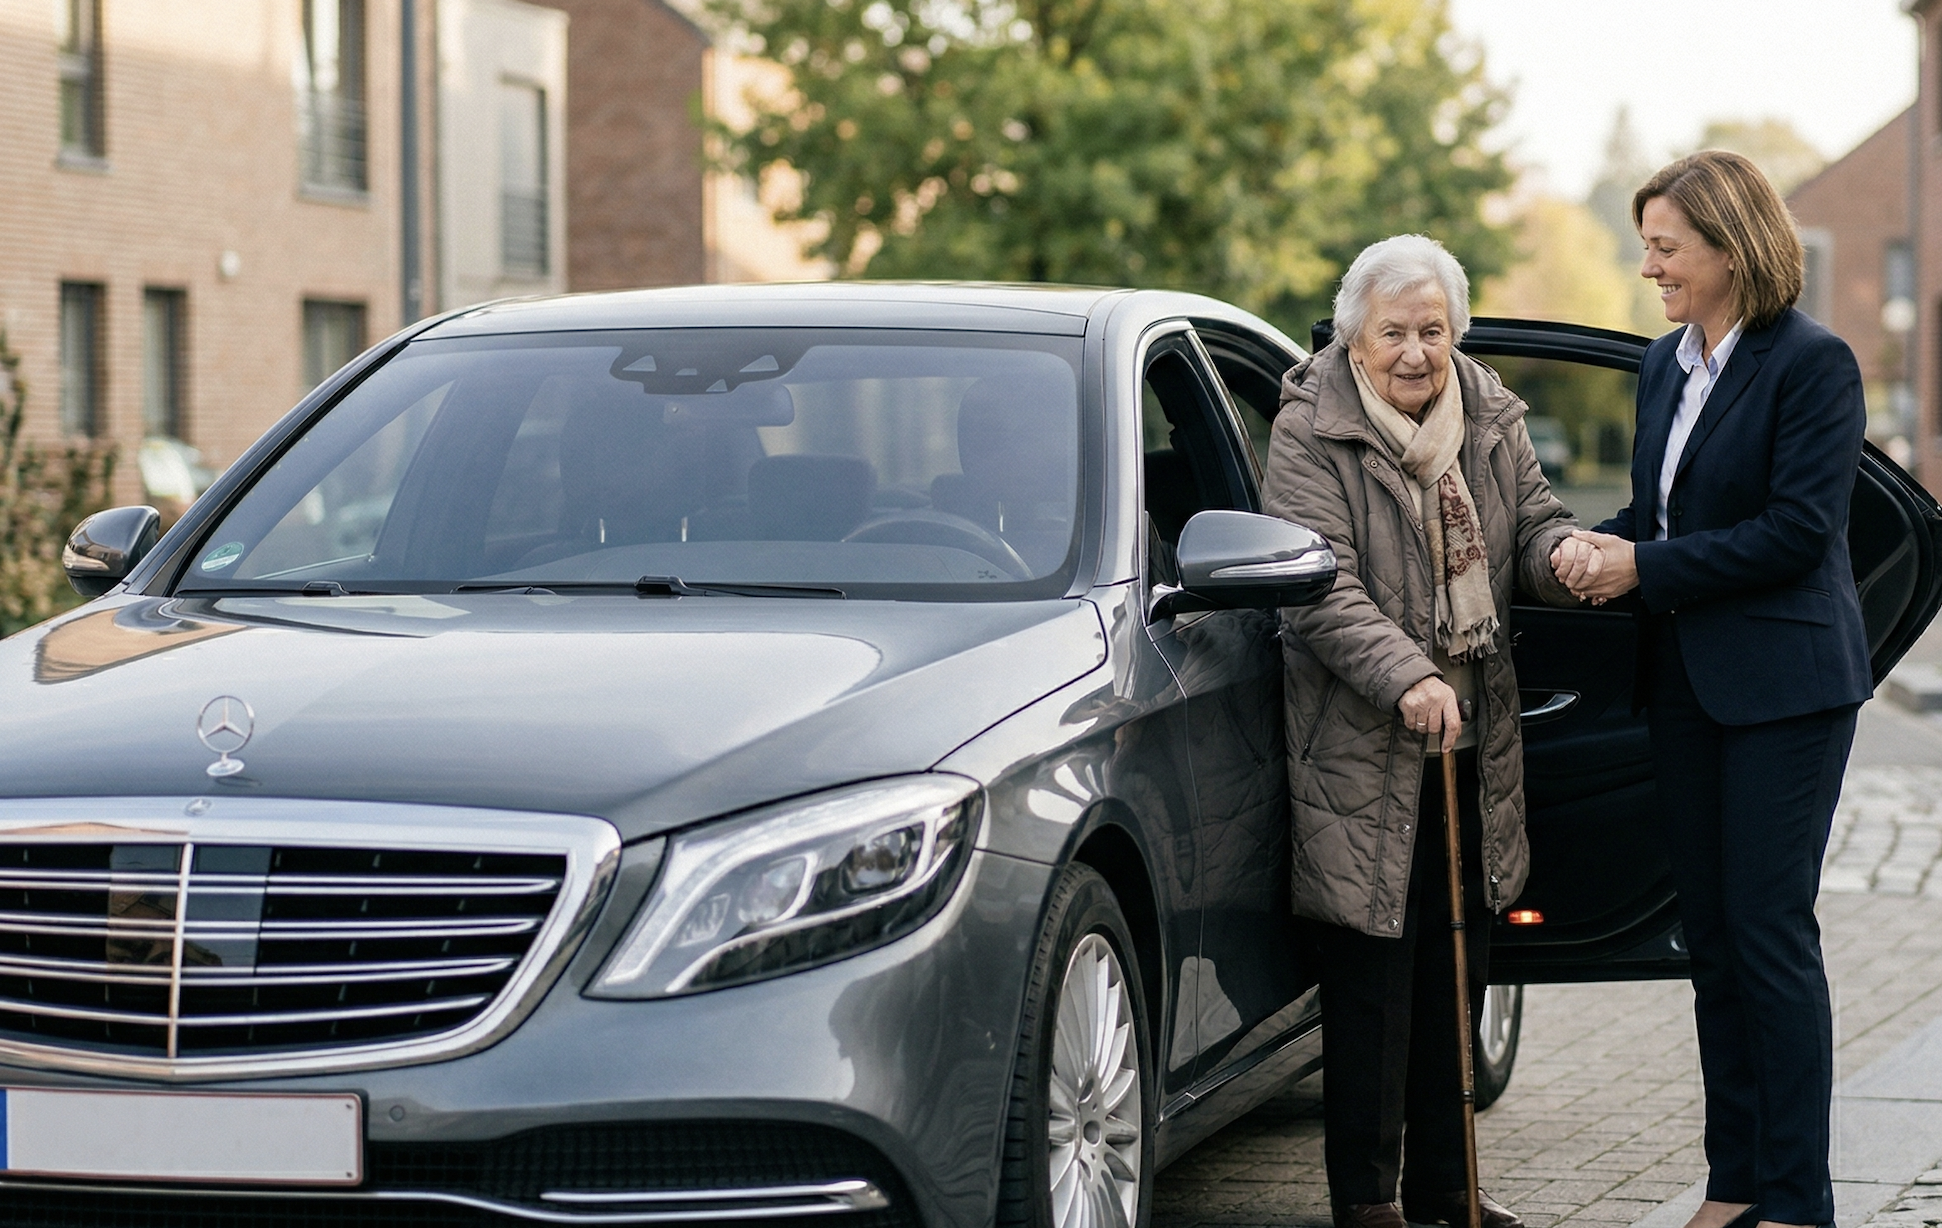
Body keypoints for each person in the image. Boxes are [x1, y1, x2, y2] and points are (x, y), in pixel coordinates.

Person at [1553, 150, 1868, 1228]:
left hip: (1787, 686)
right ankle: (1732, 1183)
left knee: (1768, 933)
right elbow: (1664, 518)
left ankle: (1796, 1198)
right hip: (1685, 681)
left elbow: (1794, 533)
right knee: (1713, 939)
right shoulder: (1661, 366)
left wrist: (1643, 567)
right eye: (1647, 246)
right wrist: (1590, 550)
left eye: (1665, 247)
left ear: (1731, 249)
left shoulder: (1811, 364)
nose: (1649, 266)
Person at [1263, 234, 1581, 1228]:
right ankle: (1367, 1202)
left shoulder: (1485, 415)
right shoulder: (1310, 426)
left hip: (1468, 742)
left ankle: (1451, 1192)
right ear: (1353, 335)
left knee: (1456, 966)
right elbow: (1315, 583)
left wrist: (1564, 550)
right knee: (1370, 985)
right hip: (1361, 748)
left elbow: (1527, 523)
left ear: (1456, 334)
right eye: (1393, 331)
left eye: (1432, 330)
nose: (1414, 352)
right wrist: (1404, 671)